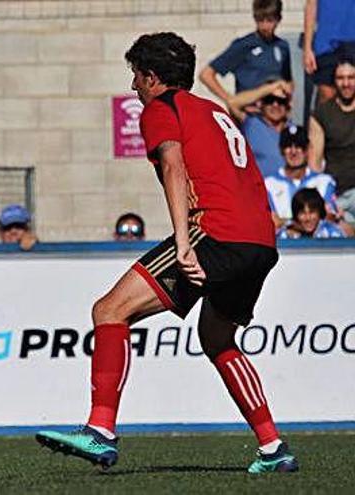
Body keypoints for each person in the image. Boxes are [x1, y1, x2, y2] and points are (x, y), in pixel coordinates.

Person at [35, 32, 298, 474]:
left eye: (136, 77)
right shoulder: (215, 112)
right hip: (259, 241)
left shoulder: (161, 108)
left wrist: (182, 240)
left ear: (153, 78)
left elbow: (174, 165)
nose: (133, 88)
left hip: (213, 233)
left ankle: (99, 429)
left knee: (109, 311)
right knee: (217, 339)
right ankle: (273, 447)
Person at [199, 0, 291, 122]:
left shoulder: (282, 46)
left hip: (274, 116)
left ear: (278, 19)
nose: (264, 26)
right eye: (260, 20)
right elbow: (206, 75)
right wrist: (231, 101)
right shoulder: (244, 45)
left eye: (269, 20)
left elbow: (288, 81)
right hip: (250, 115)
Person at [309, 59, 355, 229]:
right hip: (337, 195)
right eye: (341, 78)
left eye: (351, 78)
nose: (346, 83)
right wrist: (321, 200)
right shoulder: (322, 113)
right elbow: (315, 162)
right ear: (334, 81)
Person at [264, 125, 339, 228]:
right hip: (282, 243)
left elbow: (329, 218)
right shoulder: (268, 184)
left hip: (318, 243)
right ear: (281, 150)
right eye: (288, 146)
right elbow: (272, 222)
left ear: (308, 149)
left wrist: (287, 223)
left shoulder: (324, 182)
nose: (294, 152)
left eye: (300, 146)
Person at [228, 79, 293, 176]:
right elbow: (232, 103)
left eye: (281, 101)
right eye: (269, 100)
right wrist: (272, 87)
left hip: (290, 188)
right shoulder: (252, 123)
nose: (275, 105)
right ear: (261, 104)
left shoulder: (294, 127)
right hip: (260, 187)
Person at [302, 0, 355, 108]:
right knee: (327, 96)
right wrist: (307, 48)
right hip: (326, 43)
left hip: (352, 40)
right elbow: (311, 5)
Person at [277, 188, 345, 238]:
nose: (308, 218)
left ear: (319, 213)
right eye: (302, 213)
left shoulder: (332, 233)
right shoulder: (285, 235)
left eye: (312, 212)